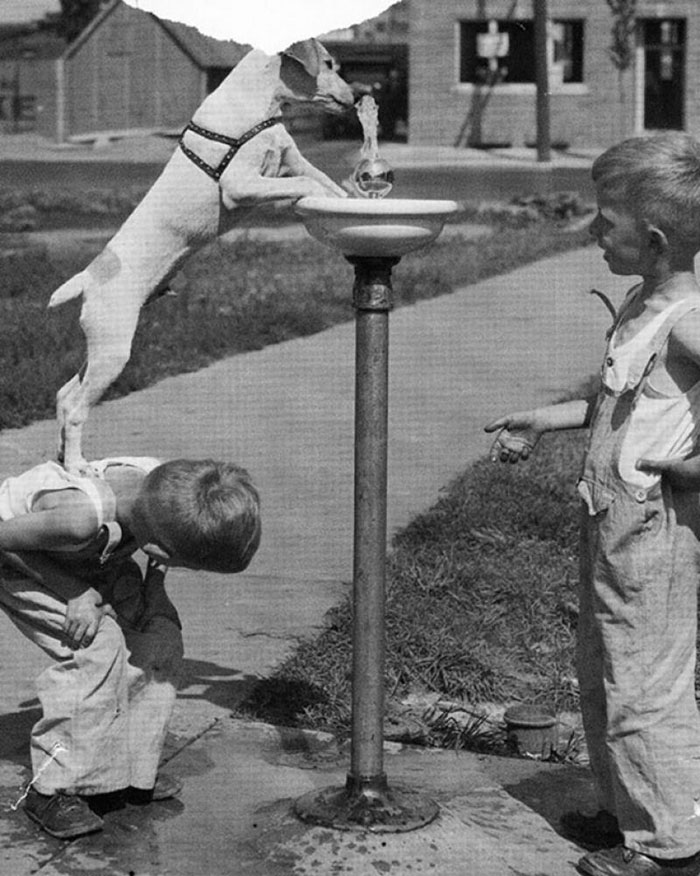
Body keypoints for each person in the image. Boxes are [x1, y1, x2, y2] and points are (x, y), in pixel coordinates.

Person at [485, 132, 700, 876]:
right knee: (604, 669)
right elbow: (620, 402)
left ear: (656, 238)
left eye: (604, 221)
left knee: (646, 684)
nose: (591, 232)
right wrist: (548, 419)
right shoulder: (644, 302)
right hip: (609, 520)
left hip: (652, 526)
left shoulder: (689, 318)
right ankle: (622, 812)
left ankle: (668, 848)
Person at [0, 455, 261, 840]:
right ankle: (52, 788)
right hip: (20, 560)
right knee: (96, 646)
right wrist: (76, 592)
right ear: (158, 549)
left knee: (161, 635)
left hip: (92, 558)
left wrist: (156, 595)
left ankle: (130, 771)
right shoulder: (78, 517)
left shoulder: (166, 494)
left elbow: (159, 558)